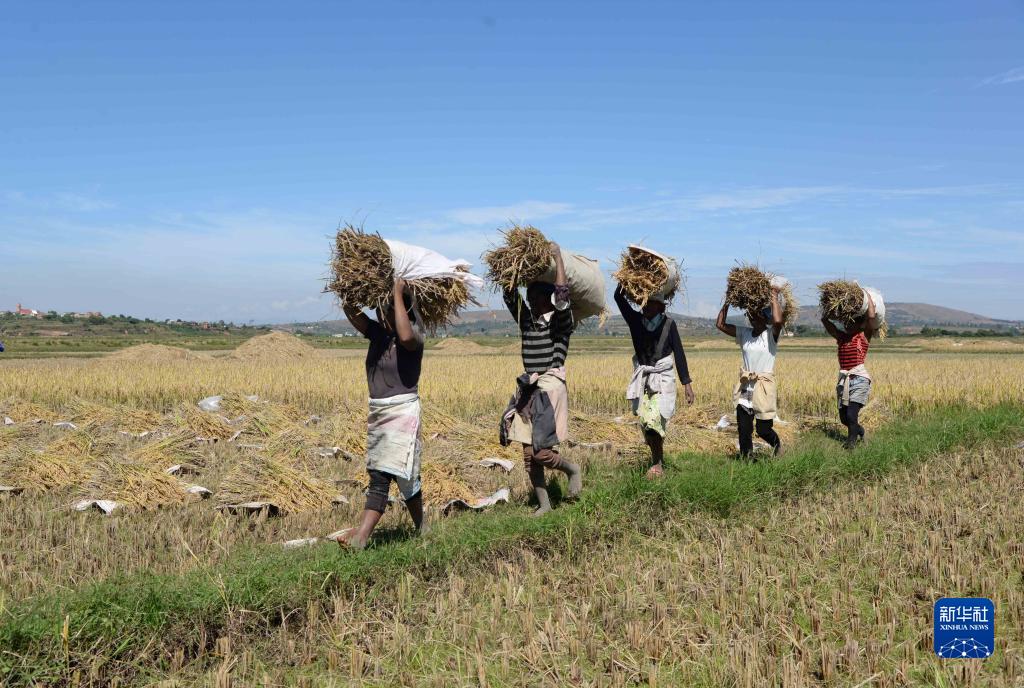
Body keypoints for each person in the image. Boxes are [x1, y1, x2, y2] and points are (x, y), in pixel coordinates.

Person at [337, 278, 426, 549]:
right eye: (380, 311)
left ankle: (363, 537)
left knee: (390, 476)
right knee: (394, 475)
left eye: (385, 311)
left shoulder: (415, 336)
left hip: (402, 412)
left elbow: (406, 335)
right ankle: (422, 528)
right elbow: (352, 312)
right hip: (379, 412)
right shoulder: (378, 334)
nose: (380, 315)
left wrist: (398, 293)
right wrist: (349, 290)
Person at [499, 242, 582, 516]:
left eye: (536, 298)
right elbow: (510, 296)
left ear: (548, 299)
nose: (532, 303)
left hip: (549, 389)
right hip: (528, 390)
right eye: (530, 298)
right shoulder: (527, 321)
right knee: (527, 456)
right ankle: (545, 504)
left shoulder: (560, 322)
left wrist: (558, 257)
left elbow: (562, 295)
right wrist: (512, 263)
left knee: (541, 453)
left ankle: (571, 469)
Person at [614, 284, 695, 478]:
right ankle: (657, 459)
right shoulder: (635, 321)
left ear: (661, 307)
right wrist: (626, 282)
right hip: (644, 380)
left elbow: (680, 354)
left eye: (651, 303)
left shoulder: (669, 325)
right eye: (644, 302)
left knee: (653, 421)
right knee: (646, 423)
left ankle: (657, 464)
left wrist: (687, 385)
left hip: (663, 380)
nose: (646, 306)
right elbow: (618, 298)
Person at [715, 287, 784, 458]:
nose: (752, 318)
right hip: (746, 386)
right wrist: (728, 302)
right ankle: (747, 459)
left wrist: (773, 296)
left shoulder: (770, 336)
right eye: (750, 315)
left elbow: (778, 321)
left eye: (756, 315)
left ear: (764, 317)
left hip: (763, 387)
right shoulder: (744, 333)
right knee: (744, 429)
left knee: (763, 429)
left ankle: (777, 446)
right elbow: (720, 324)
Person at [821, 292, 877, 449]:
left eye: (850, 322)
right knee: (844, 418)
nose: (846, 325)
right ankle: (860, 431)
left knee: (852, 415)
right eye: (845, 322)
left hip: (859, 378)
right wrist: (830, 306)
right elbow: (825, 321)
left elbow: (871, 318)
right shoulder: (841, 337)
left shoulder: (863, 336)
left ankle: (850, 446)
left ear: (859, 324)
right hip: (843, 379)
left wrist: (868, 298)